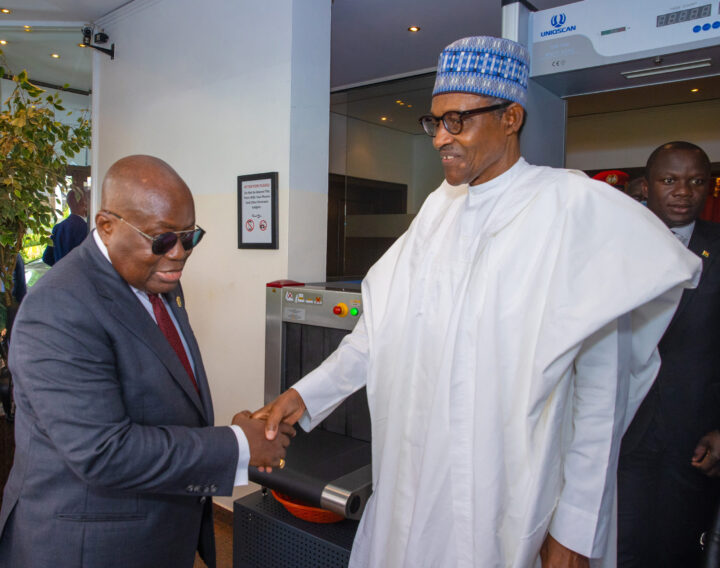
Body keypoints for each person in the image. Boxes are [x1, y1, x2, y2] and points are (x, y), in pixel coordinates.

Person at [252, 37, 701, 568]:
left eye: (458, 120)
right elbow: (378, 336)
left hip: (504, 497)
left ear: (511, 117)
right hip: (412, 483)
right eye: (435, 121)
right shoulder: (436, 213)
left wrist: (576, 529)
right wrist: (302, 397)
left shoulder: (573, 209)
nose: (441, 137)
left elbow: (599, 399)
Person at [0, 155, 294, 568]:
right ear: (106, 225)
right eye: (161, 239)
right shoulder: (58, 308)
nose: (179, 254)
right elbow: (104, 452)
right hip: (88, 547)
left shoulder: (159, 281)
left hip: (157, 533)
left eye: (189, 237)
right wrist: (238, 444)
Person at [618, 141, 720, 567]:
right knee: (621, 546)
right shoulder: (614, 243)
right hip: (623, 432)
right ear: (646, 186)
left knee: (681, 551)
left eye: (696, 181)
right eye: (669, 180)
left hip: (696, 440)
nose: (683, 191)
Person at [42, 186, 90, 266]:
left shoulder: (58, 228)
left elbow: (47, 258)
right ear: (84, 204)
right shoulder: (86, 228)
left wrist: (61, 268)